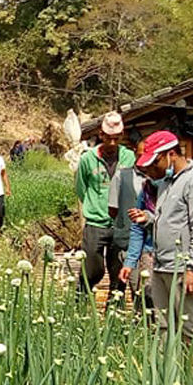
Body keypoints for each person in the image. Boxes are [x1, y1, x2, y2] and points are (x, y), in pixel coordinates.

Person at [118, 131, 193, 319]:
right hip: (161, 266)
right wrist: (148, 220)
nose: (151, 169)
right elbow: (167, 220)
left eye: (155, 162)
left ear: (171, 154)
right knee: (164, 327)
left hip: (183, 269)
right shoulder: (165, 182)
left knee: (191, 329)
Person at [74, 112, 135, 301]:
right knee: (92, 268)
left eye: (117, 139)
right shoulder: (88, 159)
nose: (113, 143)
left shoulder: (129, 158)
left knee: (119, 273)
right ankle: (81, 300)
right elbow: (80, 188)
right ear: (101, 135)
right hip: (96, 223)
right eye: (109, 138)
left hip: (121, 223)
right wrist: (95, 206)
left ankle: (114, 310)